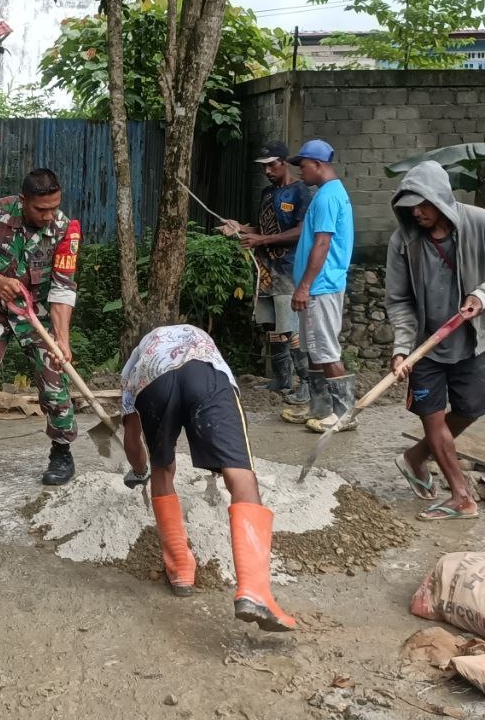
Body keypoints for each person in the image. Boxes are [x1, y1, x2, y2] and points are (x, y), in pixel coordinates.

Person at [119, 324, 295, 632]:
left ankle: (180, 570)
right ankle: (254, 591)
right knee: (240, 473)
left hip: (154, 386)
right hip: (206, 374)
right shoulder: (199, 338)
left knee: (163, 469)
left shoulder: (136, 364)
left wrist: (139, 470)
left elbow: (132, 440)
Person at [386, 161, 485, 521]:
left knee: (471, 409)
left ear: (441, 198)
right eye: (411, 205)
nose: (418, 211)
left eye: (424, 204)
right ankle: (460, 496)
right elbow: (398, 300)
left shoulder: (482, 223)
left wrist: (481, 295)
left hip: (471, 341)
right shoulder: (403, 241)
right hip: (424, 346)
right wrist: (402, 349)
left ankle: (414, 458)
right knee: (433, 419)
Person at [0, 169, 81, 498]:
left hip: (37, 315)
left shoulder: (65, 229)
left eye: (54, 207)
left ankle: (62, 455)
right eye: (41, 210)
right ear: (24, 202)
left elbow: (63, 288)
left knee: (55, 378)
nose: (49, 216)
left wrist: (62, 340)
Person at [219, 140, 312, 405]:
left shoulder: (301, 192)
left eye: (272, 165)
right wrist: (239, 228)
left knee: (290, 327)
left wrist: (260, 241)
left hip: (288, 270)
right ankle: (282, 378)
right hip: (266, 270)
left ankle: (305, 382)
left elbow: (300, 231)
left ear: (284, 163)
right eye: (264, 167)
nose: (267, 171)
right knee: (272, 325)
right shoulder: (267, 194)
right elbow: (263, 231)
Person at [279, 139, 357, 434]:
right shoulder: (330, 193)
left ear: (319, 165)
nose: (300, 172)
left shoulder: (326, 197)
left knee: (325, 349)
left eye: (303, 166)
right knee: (314, 349)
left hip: (321, 285)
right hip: (319, 284)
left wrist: (304, 286)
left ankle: (345, 413)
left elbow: (322, 244)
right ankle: (320, 408)